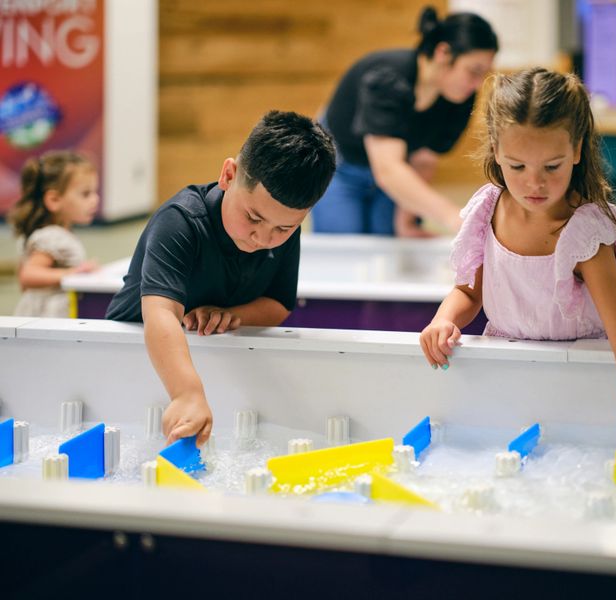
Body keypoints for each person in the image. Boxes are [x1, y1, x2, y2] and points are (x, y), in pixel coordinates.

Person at [419, 68, 616, 473]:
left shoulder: (583, 231)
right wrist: (443, 321)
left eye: (552, 167)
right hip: (507, 374)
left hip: (579, 380)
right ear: (496, 150)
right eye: (517, 167)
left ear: (578, 150)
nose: (535, 184)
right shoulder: (487, 211)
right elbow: (469, 293)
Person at [106, 111, 336, 446]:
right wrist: (186, 393)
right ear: (229, 174)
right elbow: (160, 313)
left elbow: (278, 304)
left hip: (205, 364)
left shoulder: (285, 232)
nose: (263, 237)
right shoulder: (180, 221)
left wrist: (232, 315)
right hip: (131, 360)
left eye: (284, 228)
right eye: (253, 217)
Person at [311, 6, 498, 237]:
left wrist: (406, 221)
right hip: (340, 163)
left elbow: (425, 160)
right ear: (443, 53)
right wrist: (452, 217)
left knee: (390, 238)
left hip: (399, 166)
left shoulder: (460, 95)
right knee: (345, 243)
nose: (479, 83)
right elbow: (388, 170)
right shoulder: (388, 78)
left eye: (484, 73)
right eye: (474, 71)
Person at [8, 151, 99, 317]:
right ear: (54, 200)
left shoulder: (49, 234)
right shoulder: (52, 238)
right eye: (86, 194)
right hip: (48, 316)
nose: (95, 199)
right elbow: (27, 276)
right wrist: (72, 273)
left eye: (95, 192)